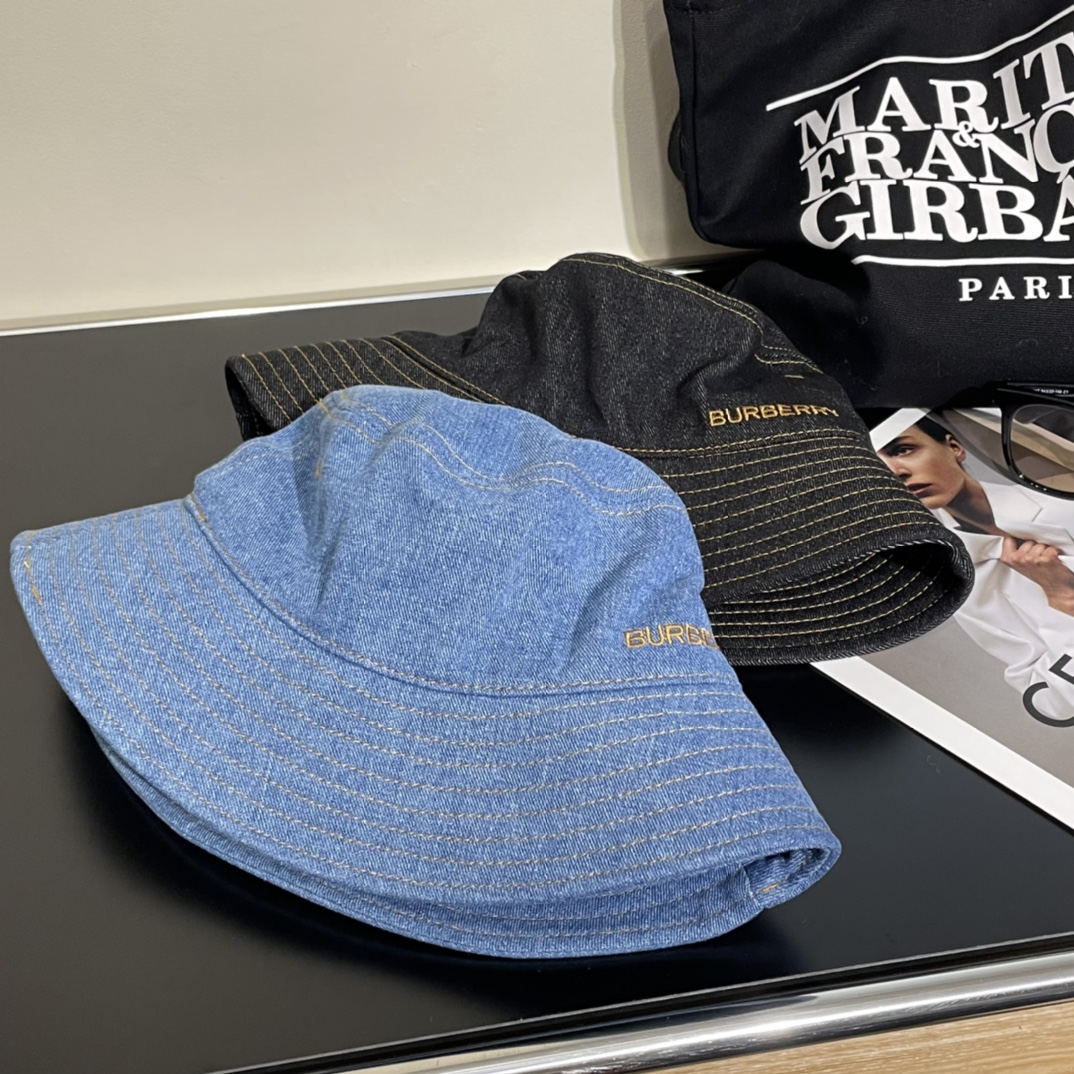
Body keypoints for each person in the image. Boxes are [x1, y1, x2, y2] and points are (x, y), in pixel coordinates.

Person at [878, 417, 1074, 722]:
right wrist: (1063, 601)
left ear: (955, 447)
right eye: (876, 470)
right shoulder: (967, 588)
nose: (896, 472)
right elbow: (1055, 706)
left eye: (902, 450)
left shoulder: (1061, 496)